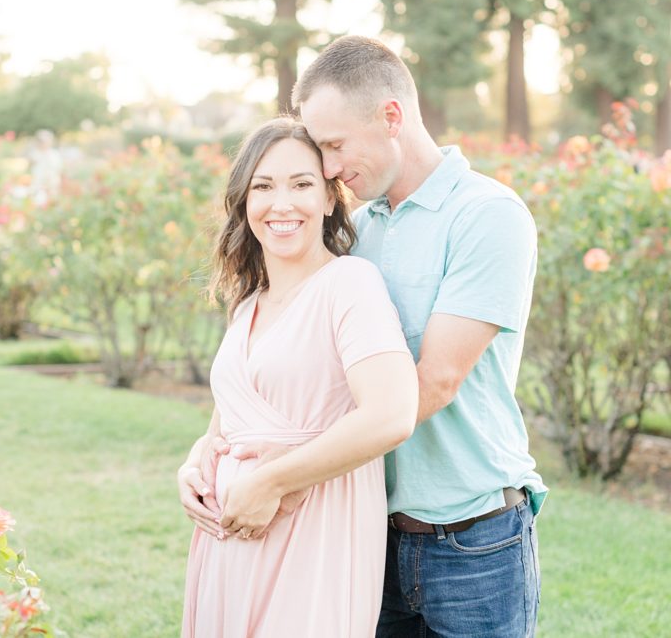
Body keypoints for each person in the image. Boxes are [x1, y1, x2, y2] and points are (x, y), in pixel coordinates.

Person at [183, 35, 548, 636]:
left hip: (470, 536)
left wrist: (287, 472)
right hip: (367, 525)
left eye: (333, 145)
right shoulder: (357, 227)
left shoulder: (488, 215)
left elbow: (432, 382)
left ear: (392, 117)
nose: (328, 169)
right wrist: (214, 452)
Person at [179, 117, 419, 637]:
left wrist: (268, 481)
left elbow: (392, 414)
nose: (280, 203)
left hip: (315, 530)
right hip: (229, 541)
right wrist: (198, 462)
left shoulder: (349, 284)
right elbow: (232, 416)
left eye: (302, 184)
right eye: (263, 186)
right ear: (244, 201)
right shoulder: (248, 304)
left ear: (331, 199)